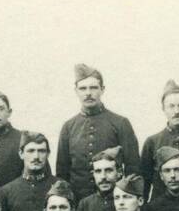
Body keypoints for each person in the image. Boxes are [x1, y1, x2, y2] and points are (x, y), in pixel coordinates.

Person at [56, 63, 140, 201]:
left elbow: (133, 169)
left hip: (114, 202)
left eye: (93, 87)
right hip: (79, 203)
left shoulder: (120, 123)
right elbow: (62, 172)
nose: (88, 93)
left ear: (102, 89)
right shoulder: (68, 127)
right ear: (76, 91)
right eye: (83, 88)